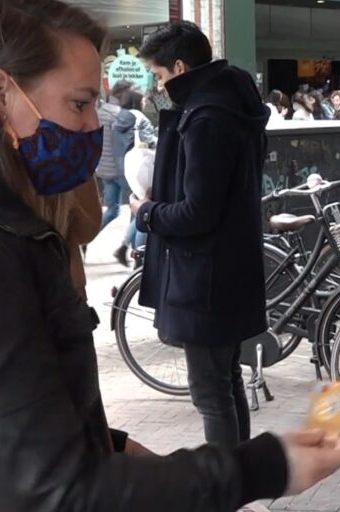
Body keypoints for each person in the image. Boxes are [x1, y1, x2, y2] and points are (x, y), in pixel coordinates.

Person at [0, 1, 340, 512]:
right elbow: (59, 500)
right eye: (80, 104)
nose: (92, 126)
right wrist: (263, 467)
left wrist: (108, 449)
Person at [130, 21, 271, 449]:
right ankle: (237, 481)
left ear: (178, 66)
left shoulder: (206, 118)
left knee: (211, 393)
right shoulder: (231, 105)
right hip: (228, 270)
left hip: (204, 279)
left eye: (158, 76)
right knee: (225, 383)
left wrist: (148, 212)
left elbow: (198, 212)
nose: (157, 86)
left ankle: (225, 490)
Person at [113, 88, 156, 265]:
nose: (145, 102)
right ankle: (139, 256)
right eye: (143, 99)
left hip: (127, 166)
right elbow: (149, 141)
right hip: (143, 167)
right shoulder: (139, 116)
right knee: (145, 211)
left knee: (137, 210)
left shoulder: (120, 117)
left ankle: (125, 248)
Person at [95, 81, 128, 233]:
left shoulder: (100, 112)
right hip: (118, 170)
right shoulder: (119, 115)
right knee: (133, 210)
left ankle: (90, 235)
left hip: (103, 168)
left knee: (112, 209)